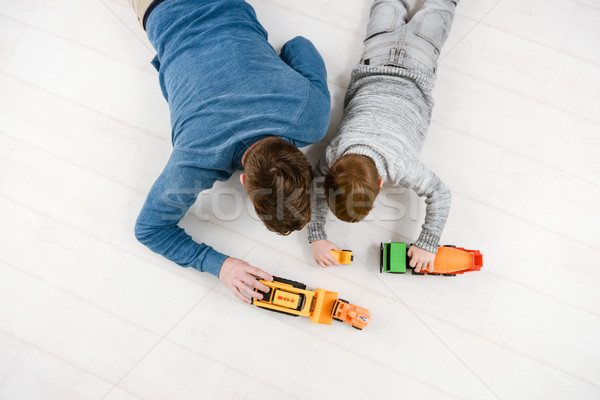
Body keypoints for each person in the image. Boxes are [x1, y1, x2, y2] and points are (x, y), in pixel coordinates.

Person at [130, 0, 331, 303]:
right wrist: (221, 266)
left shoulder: (311, 118)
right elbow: (150, 230)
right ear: (243, 182)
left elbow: (298, 46)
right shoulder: (195, 159)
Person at [307, 0, 456, 272]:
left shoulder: (400, 167)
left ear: (379, 182)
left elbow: (441, 194)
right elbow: (317, 186)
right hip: (376, 52)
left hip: (420, 60)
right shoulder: (334, 153)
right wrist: (316, 234)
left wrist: (428, 243)